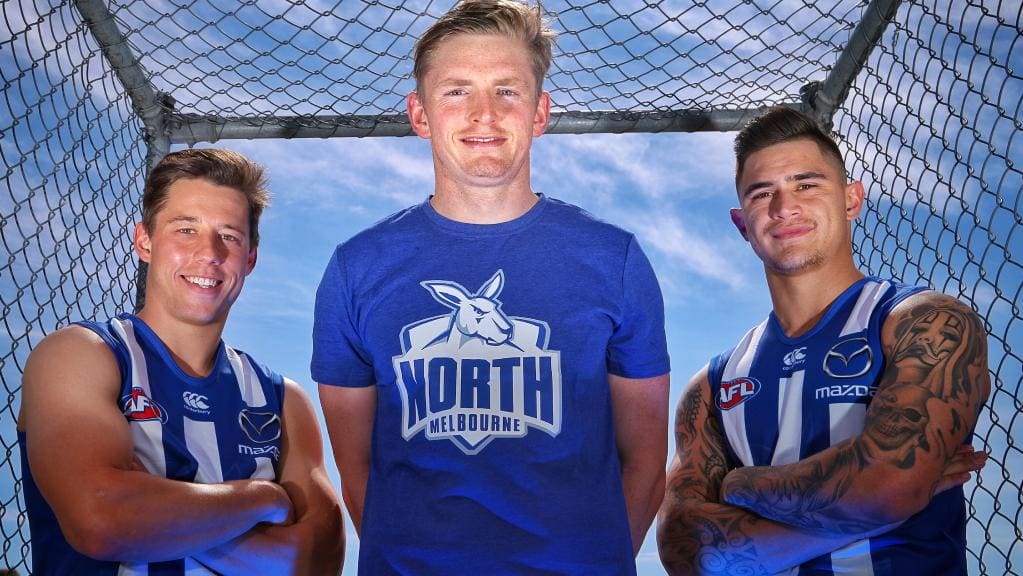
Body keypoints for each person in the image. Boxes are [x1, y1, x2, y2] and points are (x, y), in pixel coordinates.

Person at [312, 1, 670, 573]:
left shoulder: (613, 259)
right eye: (456, 91)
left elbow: (647, 459)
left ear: (540, 112)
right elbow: (358, 472)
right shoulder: (357, 268)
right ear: (420, 114)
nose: (484, 114)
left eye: (507, 90)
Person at [656, 107, 991, 575]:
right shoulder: (712, 386)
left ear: (852, 199)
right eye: (762, 194)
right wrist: (872, 506)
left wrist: (740, 485)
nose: (783, 207)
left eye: (806, 185)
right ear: (741, 223)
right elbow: (683, 550)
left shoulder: (925, 322)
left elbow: (888, 488)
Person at [18, 149, 344, 575]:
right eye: (186, 229)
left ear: (250, 258)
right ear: (145, 241)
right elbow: (101, 522)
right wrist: (263, 498)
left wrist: (154, 506)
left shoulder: (281, 400)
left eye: (229, 235)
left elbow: (316, 562)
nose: (209, 253)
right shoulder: (81, 355)